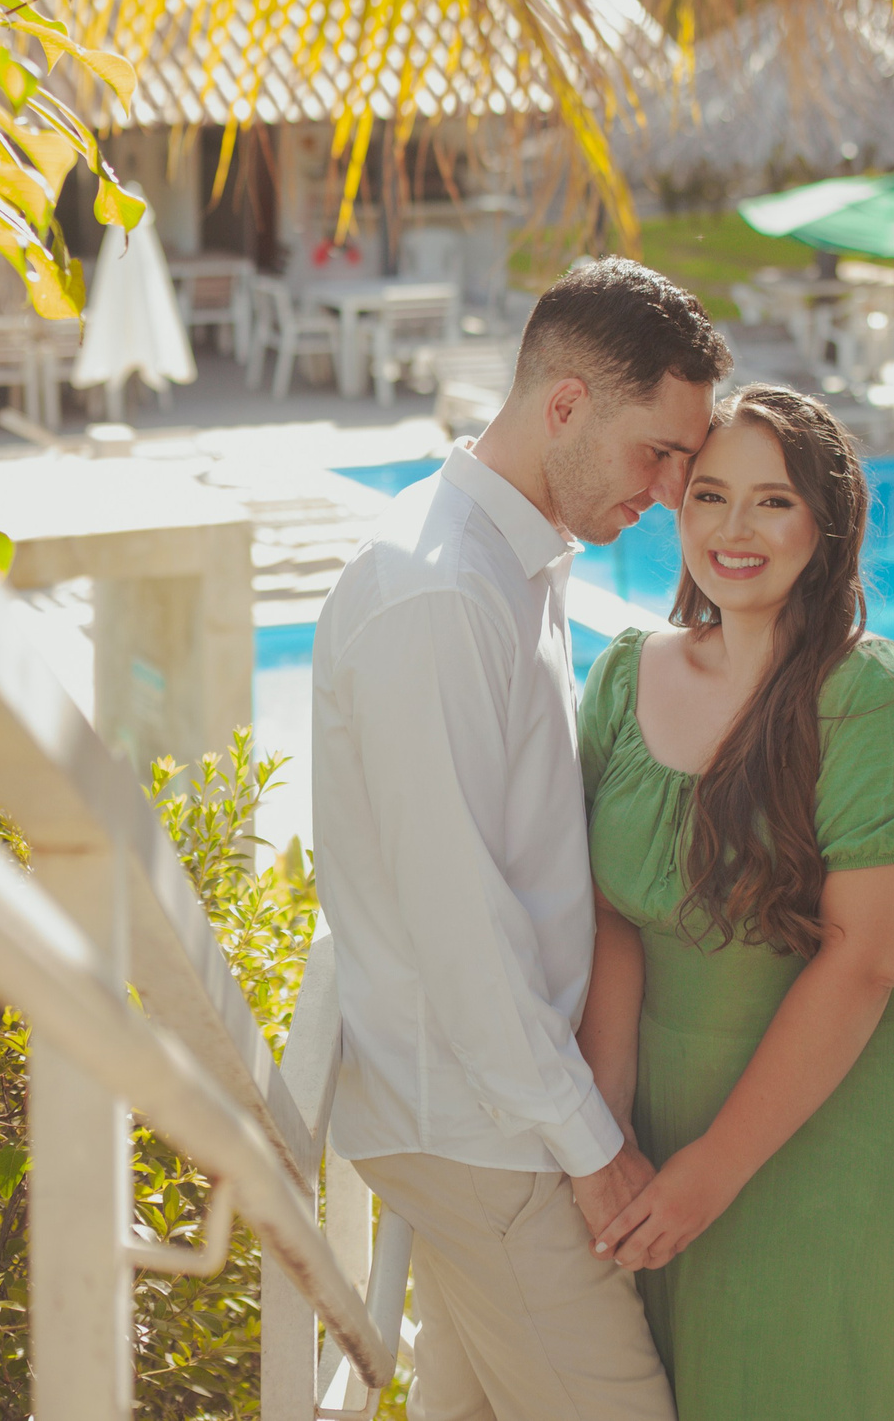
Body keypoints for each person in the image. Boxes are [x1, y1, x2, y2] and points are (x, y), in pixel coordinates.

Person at [311, 257, 730, 1420]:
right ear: (566, 406)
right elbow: (460, 925)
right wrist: (591, 1147)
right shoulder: (440, 593)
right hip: (484, 1131)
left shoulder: (510, 560)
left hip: (497, 1110)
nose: (669, 493)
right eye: (657, 453)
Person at [575, 384, 894, 1421]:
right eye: (710, 495)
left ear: (827, 524)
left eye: (772, 502)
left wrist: (709, 1173)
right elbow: (609, 910)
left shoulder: (883, 702)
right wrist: (606, 1112)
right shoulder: (623, 677)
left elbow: (865, 964)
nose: (734, 530)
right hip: (668, 1130)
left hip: (869, 1140)